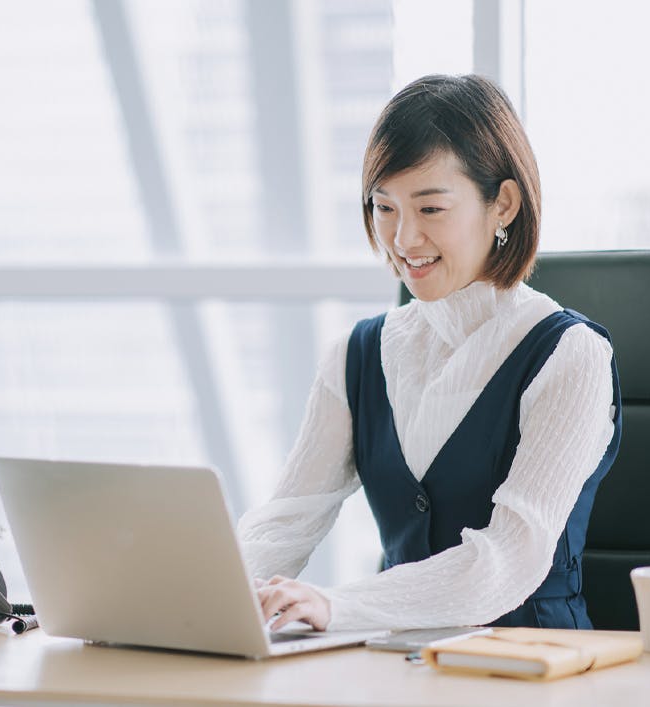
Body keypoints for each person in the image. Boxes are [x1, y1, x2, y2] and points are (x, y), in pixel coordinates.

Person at [237, 74, 622, 633]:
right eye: (384, 207)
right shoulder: (357, 355)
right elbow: (285, 521)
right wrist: (207, 600)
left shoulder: (569, 355)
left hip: (532, 672)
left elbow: (510, 559)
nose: (402, 240)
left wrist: (337, 607)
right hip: (398, 672)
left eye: (431, 209)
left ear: (504, 205)